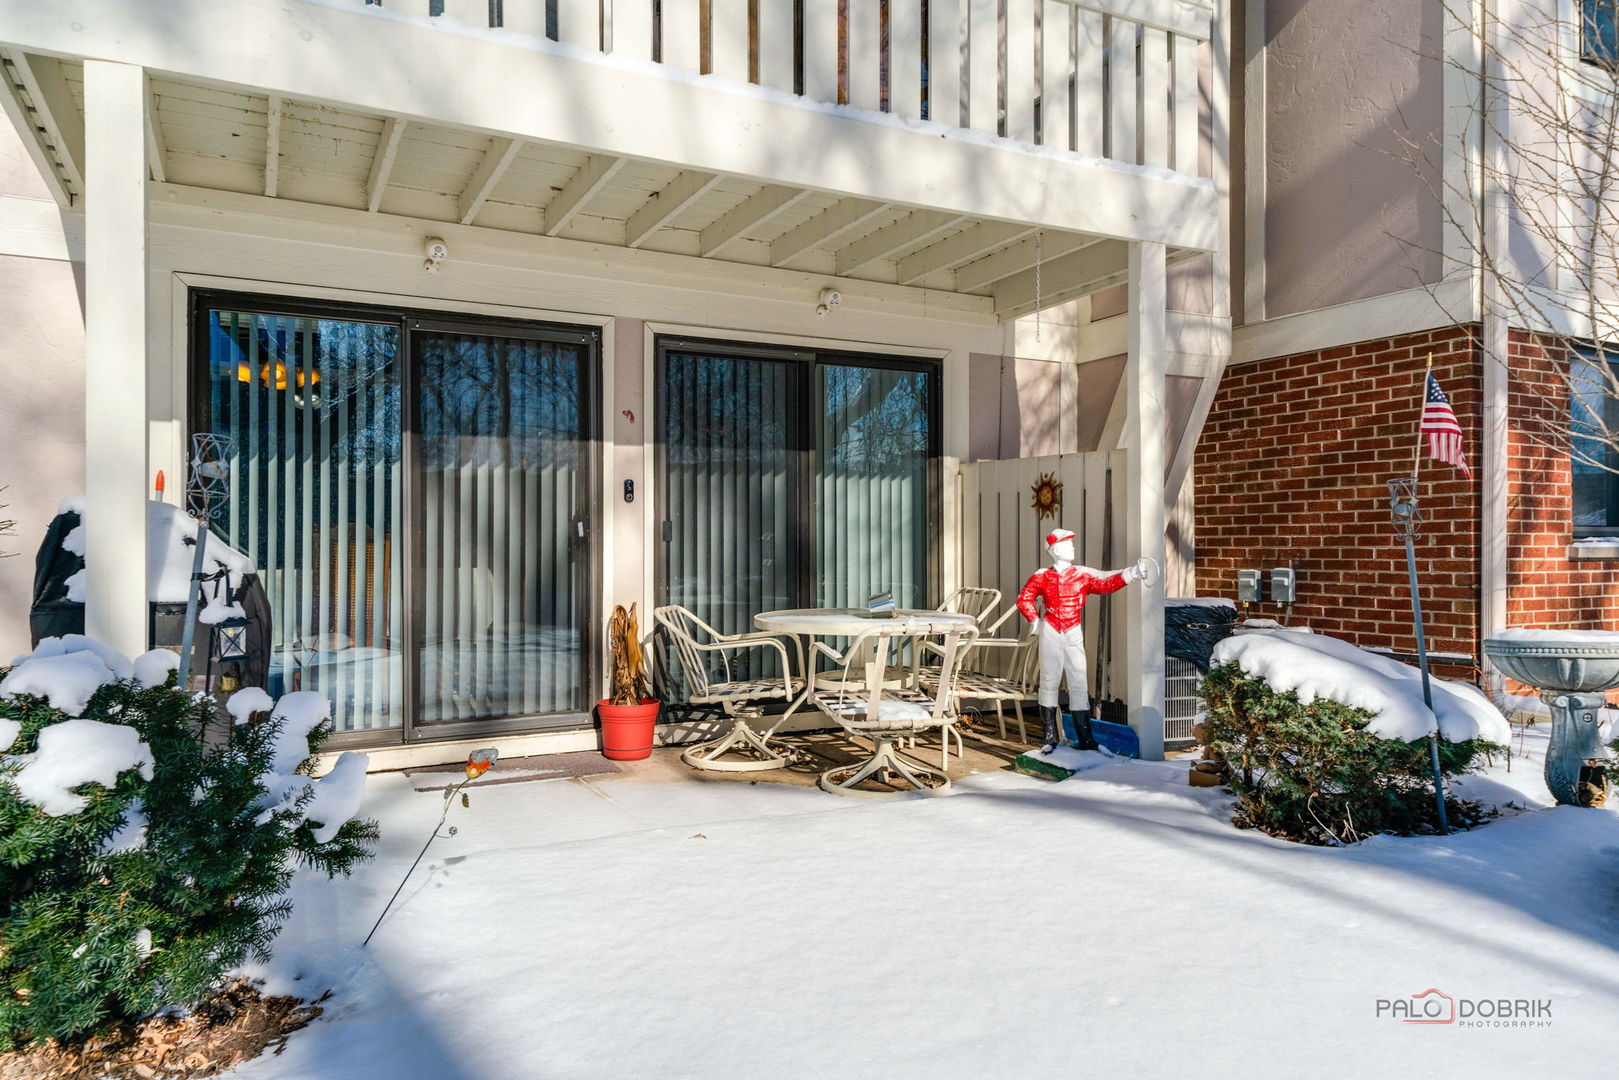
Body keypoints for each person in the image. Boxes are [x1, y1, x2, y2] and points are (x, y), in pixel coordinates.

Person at [1015, 528, 1152, 754]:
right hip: (1050, 630)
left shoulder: (1081, 574)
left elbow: (1105, 582)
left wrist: (1132, 573)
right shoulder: (1041, 575)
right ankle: (1049, 736)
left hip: (1073, 631)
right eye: (1068, 544)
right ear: (1055, 549)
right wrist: (1035, 621)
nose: (1073, 548)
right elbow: (1024, 599)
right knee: (1049, 680)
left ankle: (1085, 738)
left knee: (1079, 681)